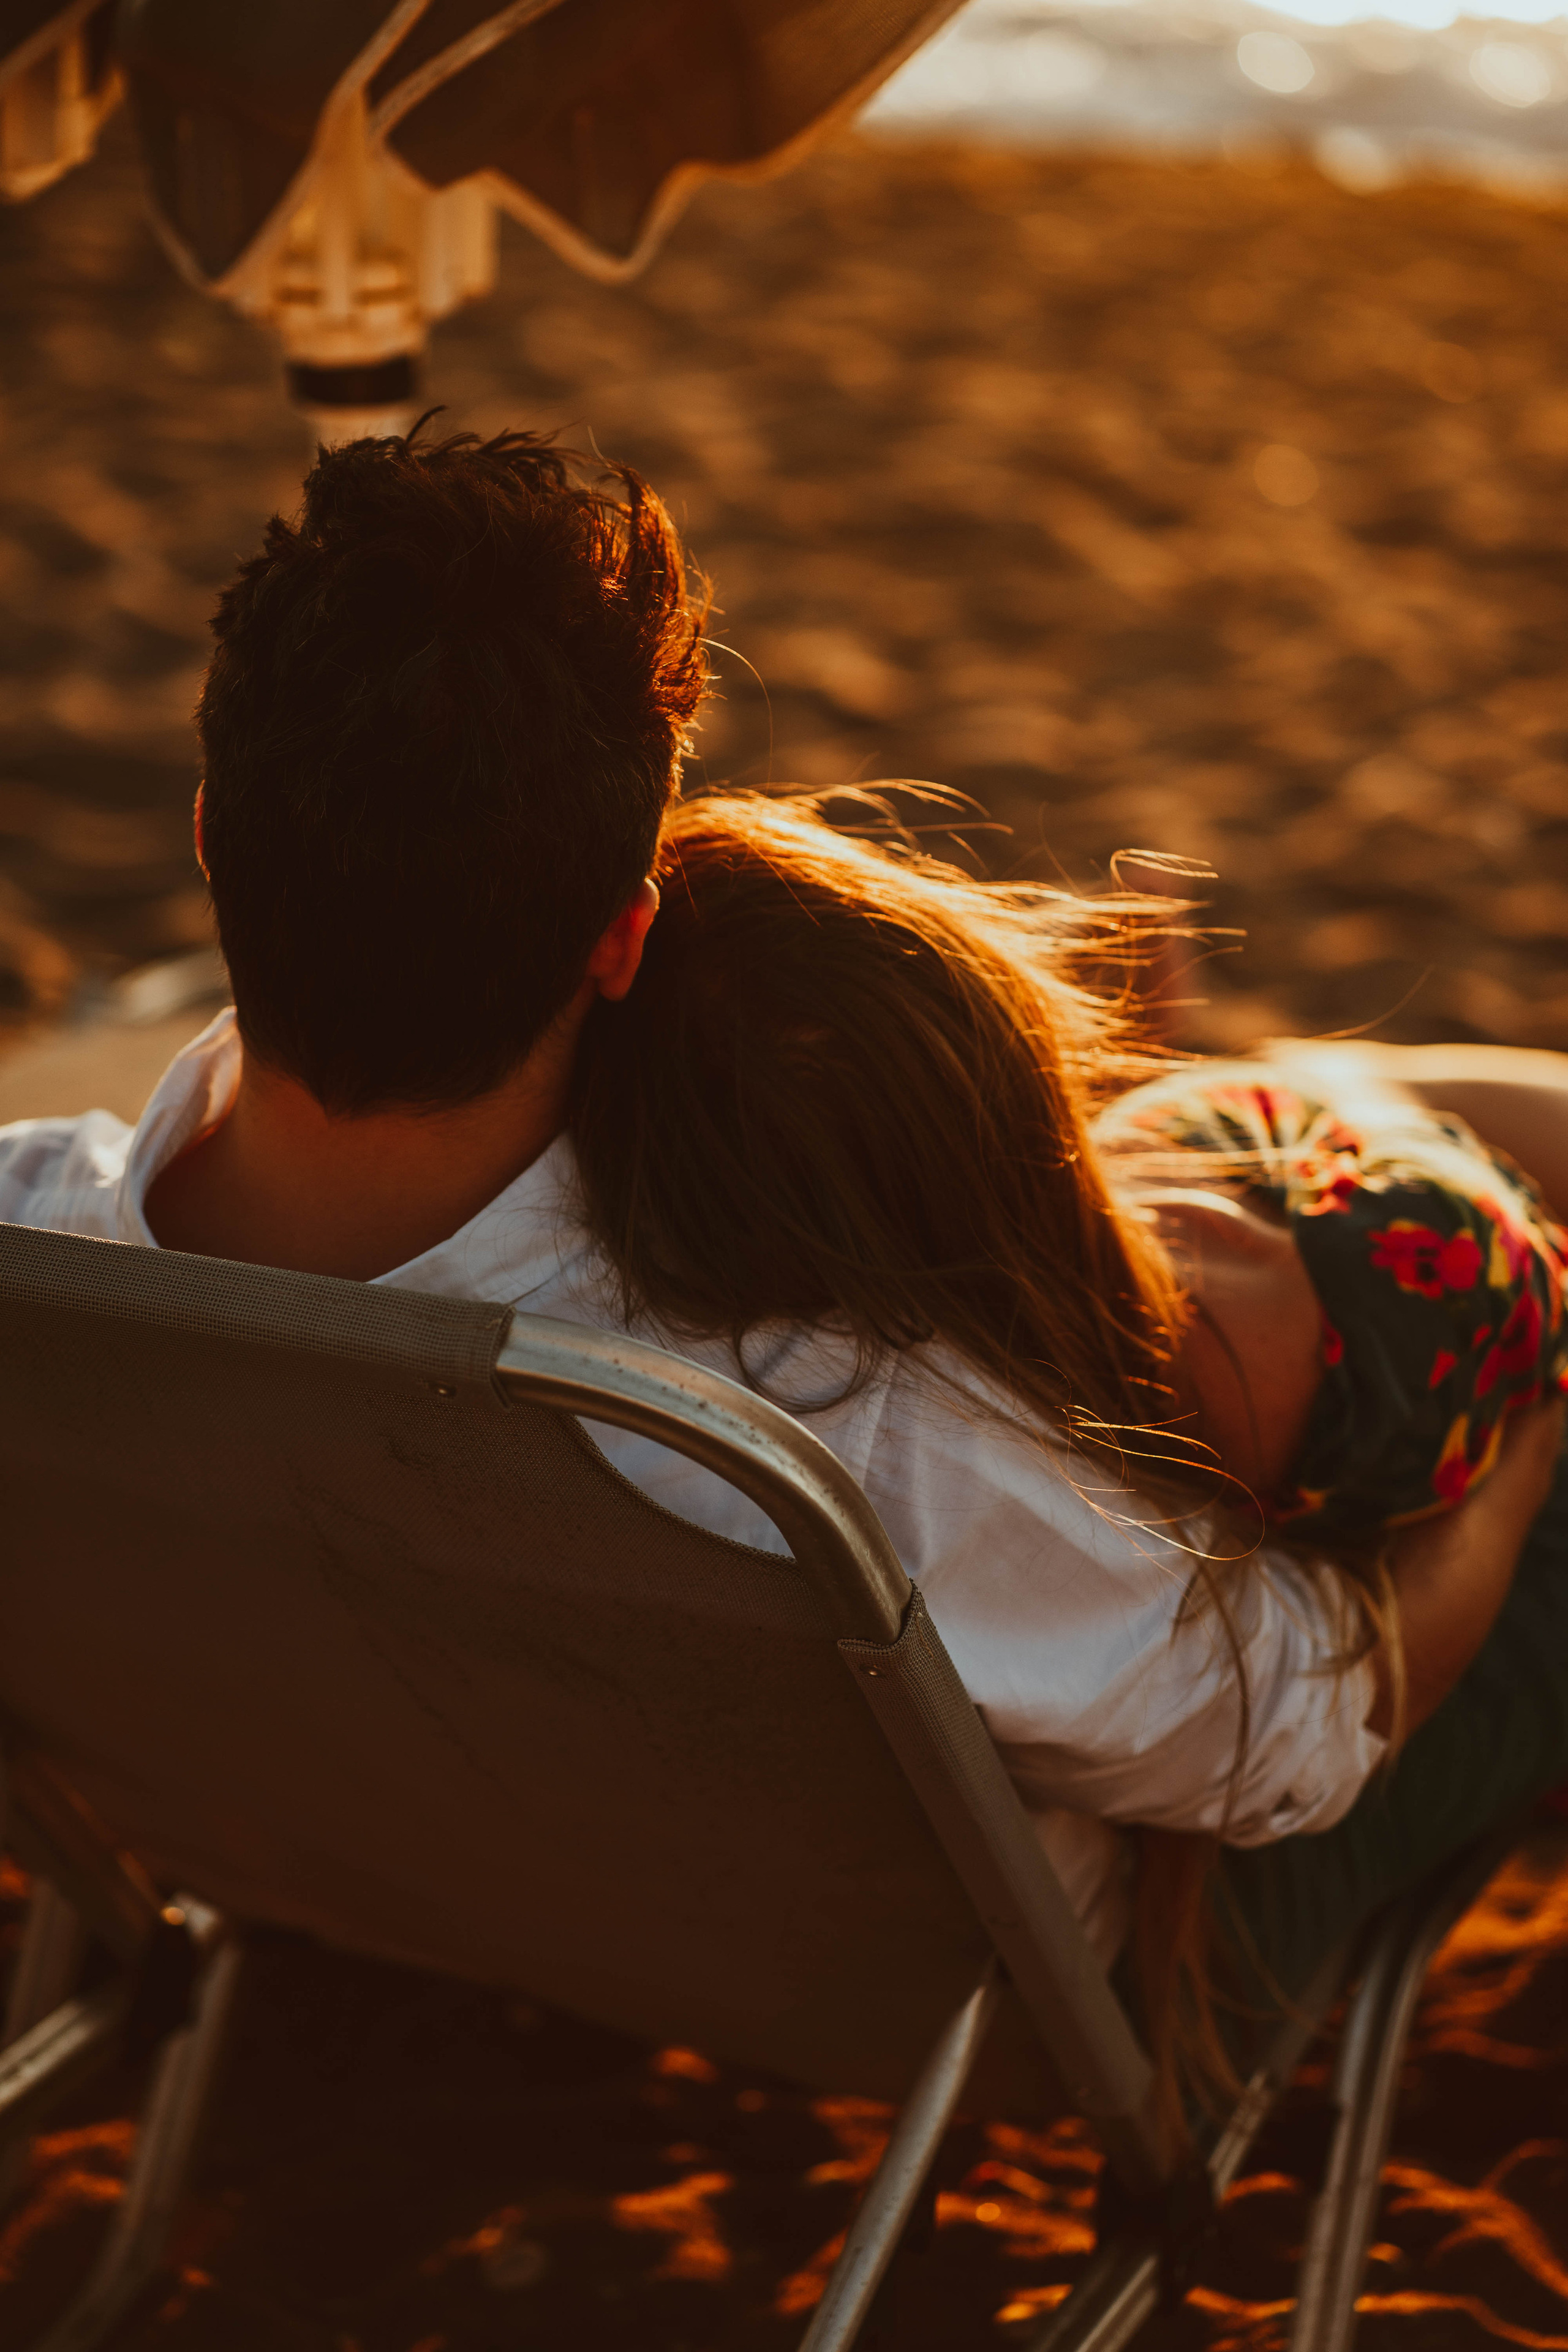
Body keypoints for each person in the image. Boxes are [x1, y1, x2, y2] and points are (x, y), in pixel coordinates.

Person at [0, 425, 1561, 2130]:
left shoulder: (31, 1266)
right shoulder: (806, 1430)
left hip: (365, 1851)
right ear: (624, 930)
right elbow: (1285, 1735)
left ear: (218, 834)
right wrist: (1532, 1431)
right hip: (981, 2008)